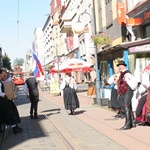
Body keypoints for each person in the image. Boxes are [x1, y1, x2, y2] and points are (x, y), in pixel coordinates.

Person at [0, 68, 23, 134]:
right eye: (2, 73)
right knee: (9, 113)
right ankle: (15, 128)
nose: (3, 75)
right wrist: (6, 94)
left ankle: (15, 127)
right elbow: (0, 93)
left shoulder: (1, 81)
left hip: (3, 99)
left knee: (8, 113)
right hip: (2, 99)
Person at [116, 60, 138, 130]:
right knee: (129, 106)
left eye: (121, 66)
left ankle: (128, 124)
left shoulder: (127, 74)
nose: (119, 67)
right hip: (124, 92)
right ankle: (132, 122)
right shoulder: (121, 74)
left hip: (128, 91)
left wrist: (130, 85)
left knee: (126, 106)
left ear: (124, 66)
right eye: (119, 66)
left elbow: (134, 82)